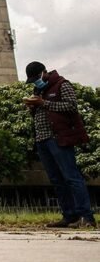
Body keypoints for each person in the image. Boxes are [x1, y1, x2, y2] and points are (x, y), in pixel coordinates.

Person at [23, 62, 96, 228]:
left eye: (36, 78)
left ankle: (87, 216)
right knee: (57, 180)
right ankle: (69, 215)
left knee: (71, 177)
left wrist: (44, 103)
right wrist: (32, 107)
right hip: (42, 140)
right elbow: (42, 111)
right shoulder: (39, 90)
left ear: (44, 73)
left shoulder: (62, 84)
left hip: (58, 138)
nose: (35, 82)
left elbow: (71, 106)